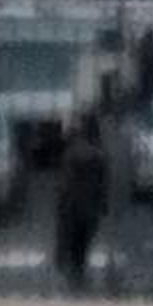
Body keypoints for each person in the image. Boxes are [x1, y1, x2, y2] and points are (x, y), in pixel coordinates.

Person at [55, 111, 110, 292]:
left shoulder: (71, 154)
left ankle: (73, 271)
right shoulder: (99, 155)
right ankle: (79, 268)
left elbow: (65, 182)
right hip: (90, 205)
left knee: (73, 238)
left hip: (73, 204)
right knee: (84, 241)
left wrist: (62, 202)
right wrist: (103, 204)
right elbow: (103, 183)